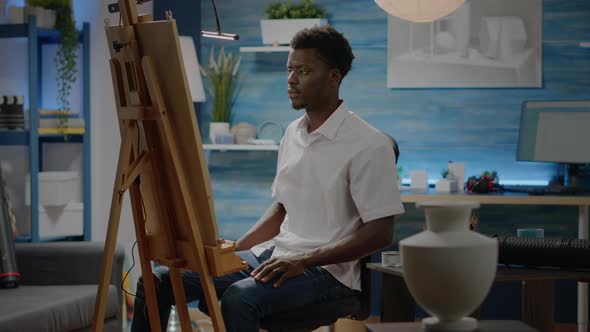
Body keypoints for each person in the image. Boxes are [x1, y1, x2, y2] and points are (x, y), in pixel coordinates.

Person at [131, 25, 404, 332]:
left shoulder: (369, 144)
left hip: (329, 274)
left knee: (239, 297)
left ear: (333, 77)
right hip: (276, 254)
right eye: (290, 69)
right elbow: (282, 208)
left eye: (303, 71)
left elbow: (381, 233)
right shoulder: (292, 133)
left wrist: (303, 261)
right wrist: (232, 252)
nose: (291, 79)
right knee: (159, 279)